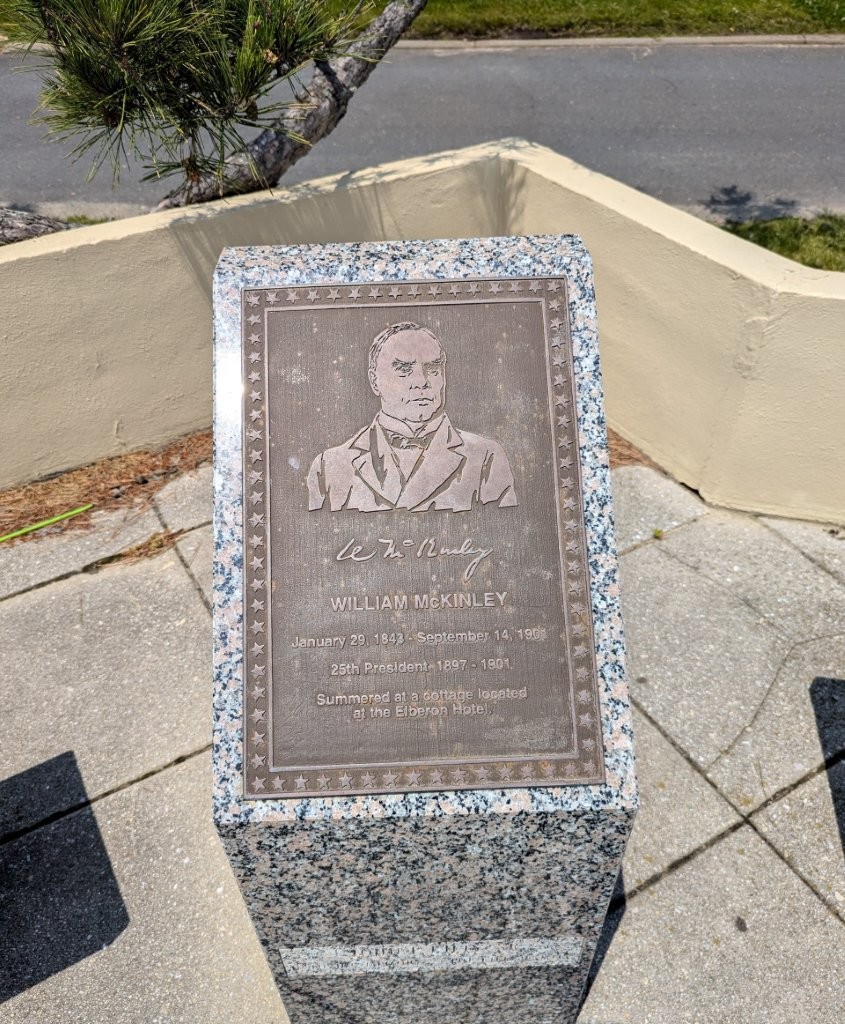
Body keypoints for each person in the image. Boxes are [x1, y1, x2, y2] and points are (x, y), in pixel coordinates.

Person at [307, 322, 518, 513]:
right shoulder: (330, 466)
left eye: (433, 369)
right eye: (404, 370)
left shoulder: (484, 458)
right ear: (374, 381)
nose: (421, 381)